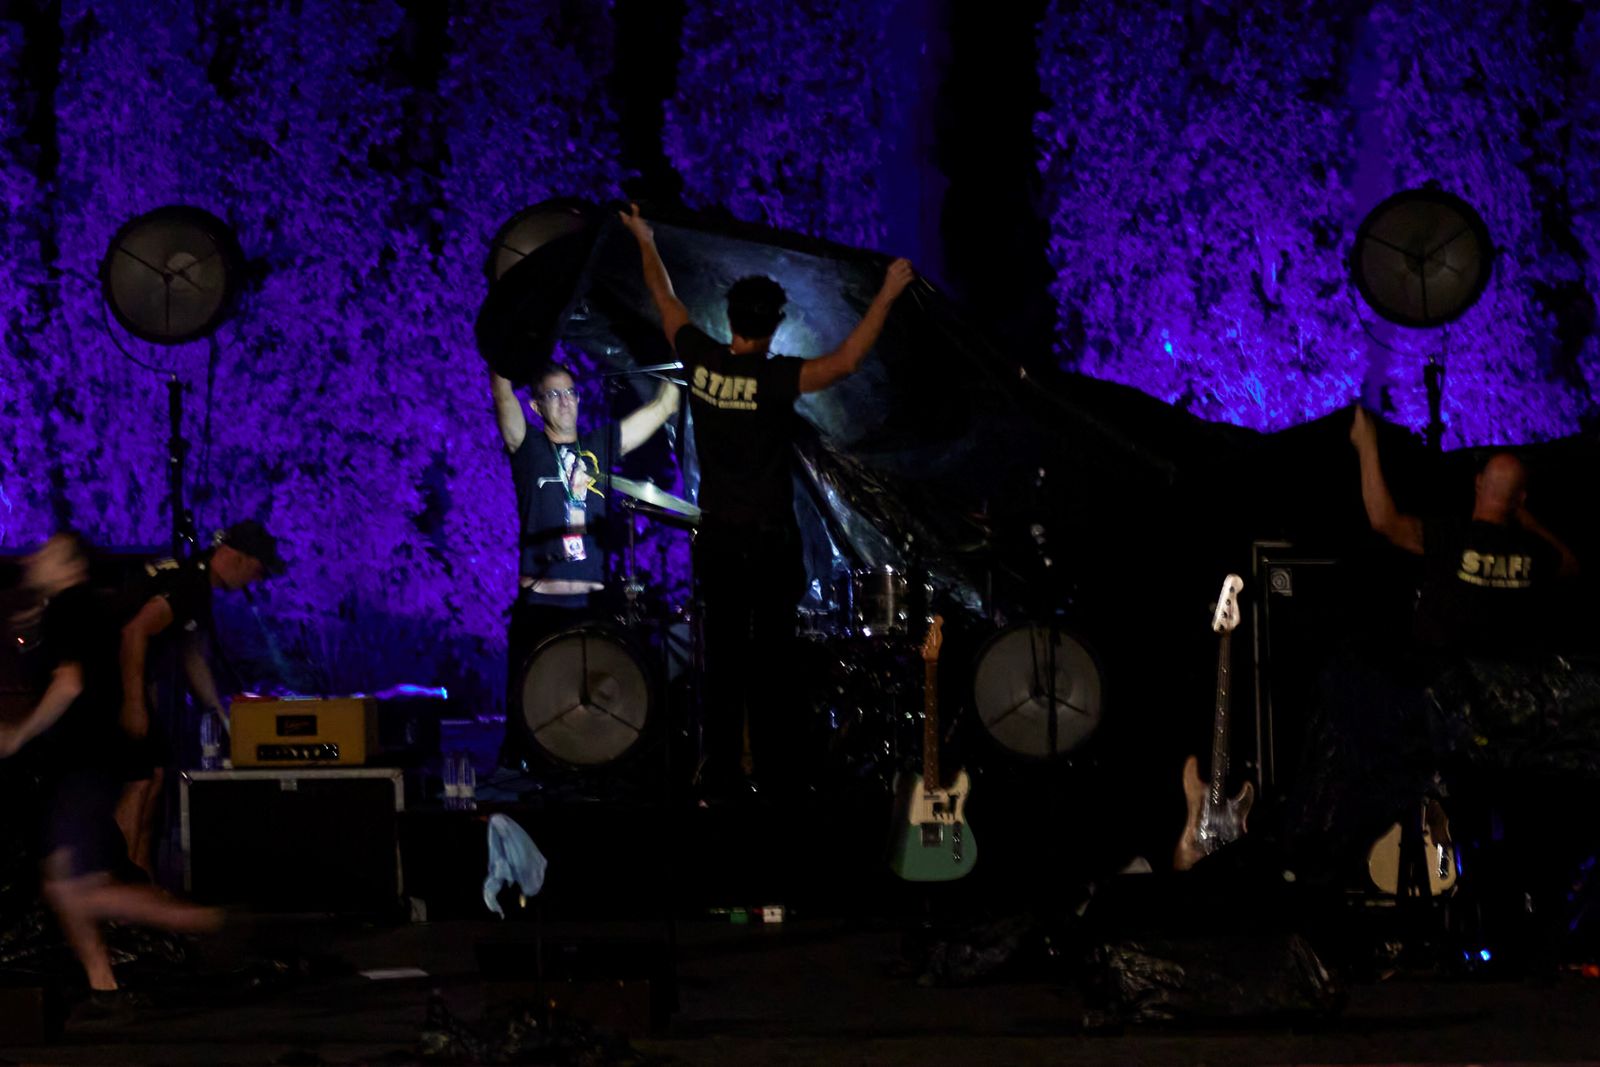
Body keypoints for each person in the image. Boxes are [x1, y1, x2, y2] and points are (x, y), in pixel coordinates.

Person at [618, 202, 915, 796]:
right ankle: (780, 778)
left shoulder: (700, 360)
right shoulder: (777, 379)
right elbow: (849, 361)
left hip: (720, 545)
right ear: (774, 326)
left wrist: (644, 238)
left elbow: (665, 299)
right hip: (770, 545)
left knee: (723, 666)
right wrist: (887, 293)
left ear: (729, 319)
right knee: (774, 666)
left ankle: (724, 777)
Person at [0, 531, 219, 1002]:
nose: (36, 556)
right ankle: (104, 983)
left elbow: (70, 683)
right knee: (73, 881)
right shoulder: (65, 611)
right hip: (84, 763)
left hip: (84, 763)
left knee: (72, 887)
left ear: (72, 566)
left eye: (50, 552)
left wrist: (19, 733)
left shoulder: (69, 608)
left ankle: (210, 921)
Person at [491, 360, 679, 765]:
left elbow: (664, 407)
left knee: (598, 710)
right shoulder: (529, 449)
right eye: (553, 395)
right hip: (541, 606)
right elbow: (501, 389)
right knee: (532, 717)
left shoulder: (596, 447)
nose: (565, 402)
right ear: (537, 407)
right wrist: (508, 346)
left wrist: (673, 357)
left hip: (591, 608)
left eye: (571, 393)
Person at [116, 519, 284, 876]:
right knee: (140, 781)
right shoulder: (188, 582)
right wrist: (134, 702)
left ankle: (141, 880)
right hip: (111, 683)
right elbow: (134, 631)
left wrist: (223, 716)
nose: (257, 582)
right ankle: (119, 883)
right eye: (258, 571)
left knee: (156, 777)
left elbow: (193, 656)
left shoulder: (198, 589)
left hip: (133, 685)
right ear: (238, 557)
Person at [1350, 404, 1579, 654]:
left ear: (1478, 483)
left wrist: (1366, 445)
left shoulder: (1449, 536)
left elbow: (1383, 521)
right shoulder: (1532, 549)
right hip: (1507, 673)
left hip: (1445, 675)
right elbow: (1570, 564)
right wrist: (1526, 519)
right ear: (1521, 498)